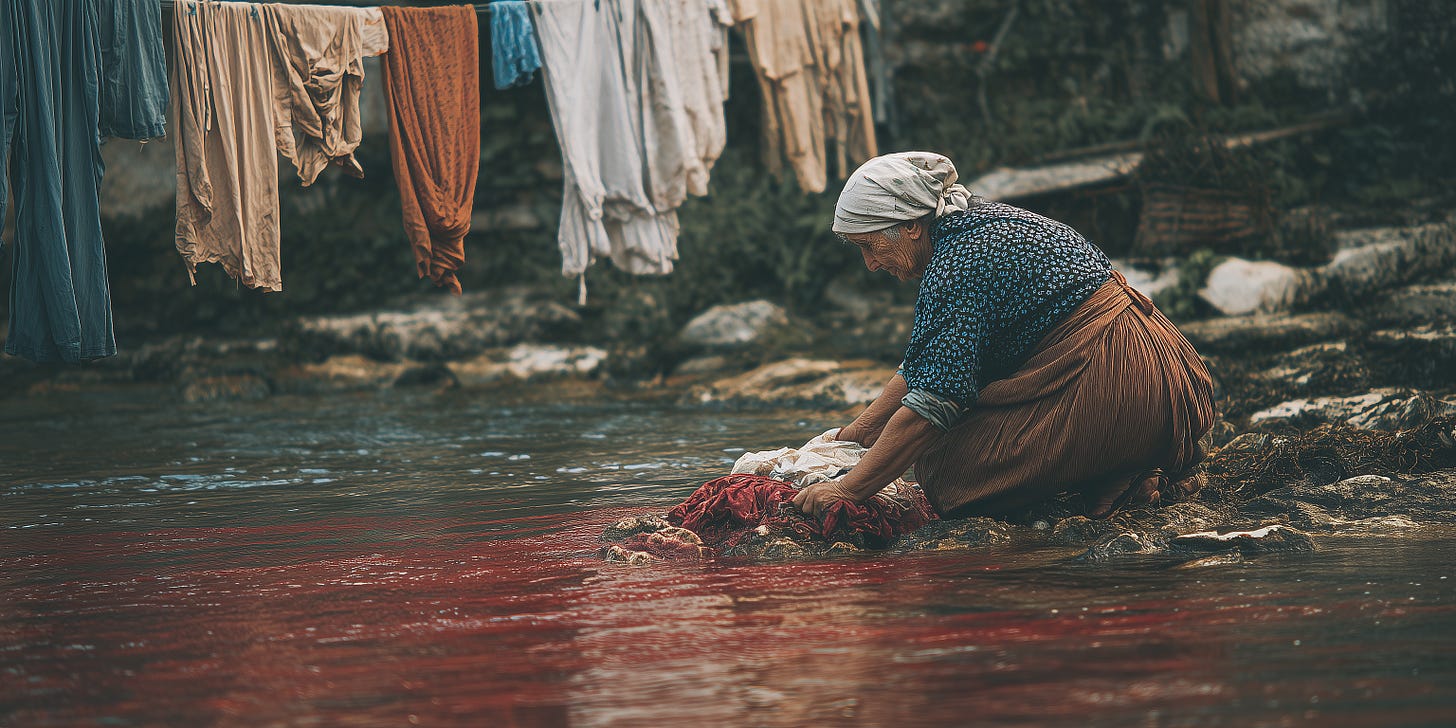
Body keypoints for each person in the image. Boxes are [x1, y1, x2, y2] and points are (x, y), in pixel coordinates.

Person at [792, 152, 1215, 521]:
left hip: (1122, 378)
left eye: (870, 247)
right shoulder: (975, 225)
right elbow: (927, 360)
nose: (870, 264)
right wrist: (856, 436)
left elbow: (934, 402)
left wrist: (849, 490)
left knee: (945, 466)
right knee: (914, 439)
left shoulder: (957, 263)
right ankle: (1129, 461)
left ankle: (1118, 458)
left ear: (911, 228)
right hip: (1171, 375)